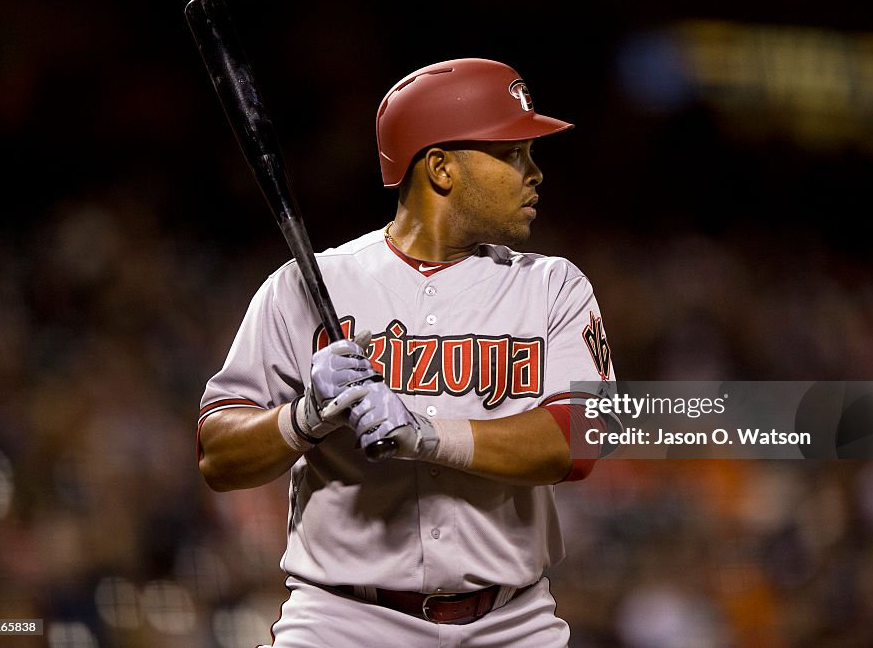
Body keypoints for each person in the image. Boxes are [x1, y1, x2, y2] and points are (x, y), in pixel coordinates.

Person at [197, 57, 619, 647]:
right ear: (441, 168)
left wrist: (426, 434)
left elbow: (582, 438)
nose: (535, 173)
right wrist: (305, 418)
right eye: (512, 153)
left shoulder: (552, 286)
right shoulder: (306, 283)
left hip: (512, 623)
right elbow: (219, 456)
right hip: (342, 623)